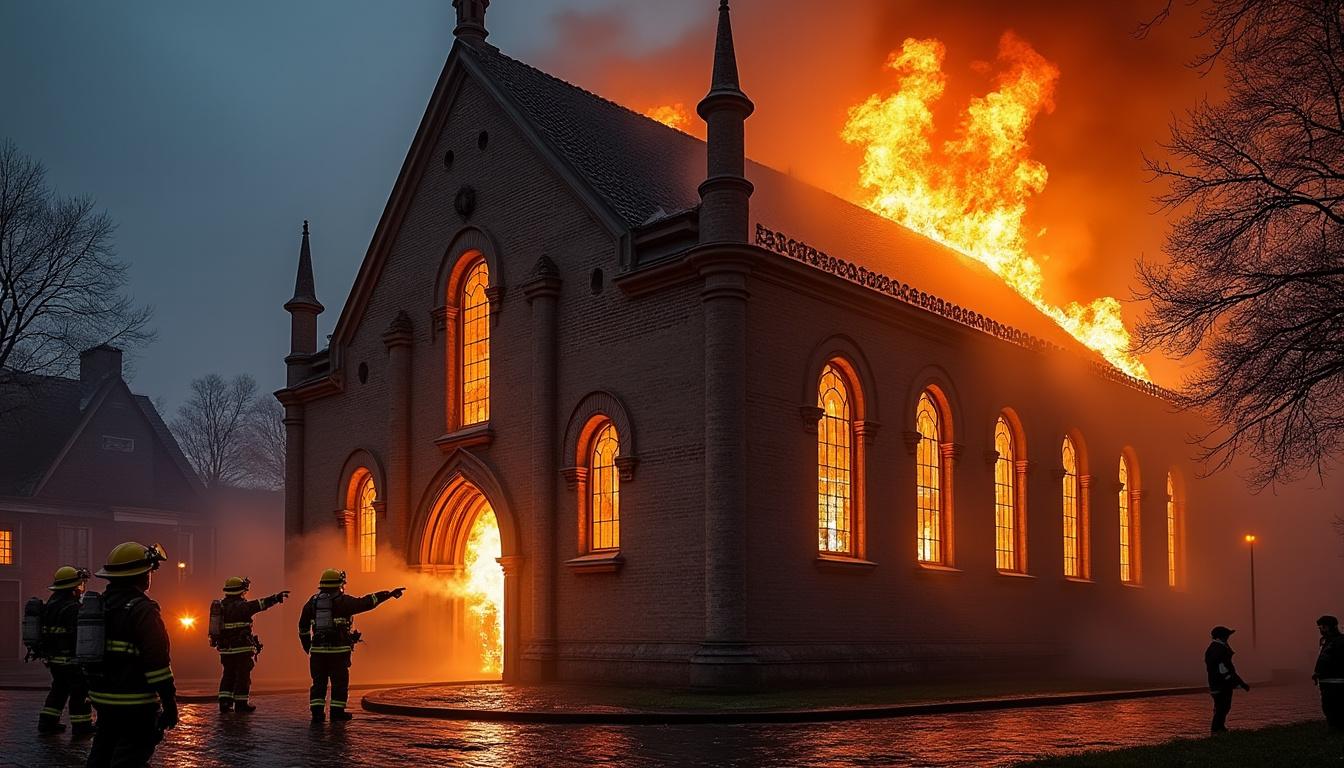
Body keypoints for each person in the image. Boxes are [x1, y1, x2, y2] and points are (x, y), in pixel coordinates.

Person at [84, 542, 177, 768]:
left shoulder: (98, 606)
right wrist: (170, 703)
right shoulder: (143, 610)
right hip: (136, 704)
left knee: (102, 752)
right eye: (149, 571)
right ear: (142, 575)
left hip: (103, 700)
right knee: (130, 758)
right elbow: (157, 664)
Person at [298, 569, 404, 723]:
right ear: (339, 584)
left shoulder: (311, 603)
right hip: (338, 652)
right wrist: (387, 594)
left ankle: (317, 714)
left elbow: (302, 628)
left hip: (317, 653)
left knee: (318, 684)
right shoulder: (343, 601)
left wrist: (308, 647)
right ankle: (337, 713)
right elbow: (367, 602)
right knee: (339, 683)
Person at [214, 576, 289, 713]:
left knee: (228, 675)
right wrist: (276, 598)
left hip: (225, 649)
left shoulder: (220, 606)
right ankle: (241, 704)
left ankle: (224, 703)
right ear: (240, 591)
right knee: (243, 676)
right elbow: (260, 604)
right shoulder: (242, 606)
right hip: (241, 649)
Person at [37, 566, 95, 736]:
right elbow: (79, 634)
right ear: (72, 587)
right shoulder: (73, 608)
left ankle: (47, 723)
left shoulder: (50, 605)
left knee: (59, 689)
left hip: (53, 659)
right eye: (79, 586)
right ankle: (81, 726)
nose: (80, 590)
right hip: (71, 659)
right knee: (80, 691)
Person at [1205, 625, 1250, 734]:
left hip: (1217, 683)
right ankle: (1216, 730)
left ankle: (1220, 728)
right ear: (1222, 637)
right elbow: (1225, 670)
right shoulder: (1219, 649)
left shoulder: (1215, 648)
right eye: (1227, 636)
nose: (1228, 638)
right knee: (1222, 707)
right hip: (1221, 684)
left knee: (1222, 707)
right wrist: (1239, 683)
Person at [1315, 615, 1344, 732]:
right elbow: (1322, 659)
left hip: (1337, 682)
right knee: (1327, 706)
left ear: (1328, 627)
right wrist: (1316, 673)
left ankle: (1337, 728)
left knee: (1336, 705)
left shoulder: (1340, 642)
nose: (1320, 630)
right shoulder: (1325, 642)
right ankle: (1333, 726)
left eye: (1322, 627)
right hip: (1325, 682)